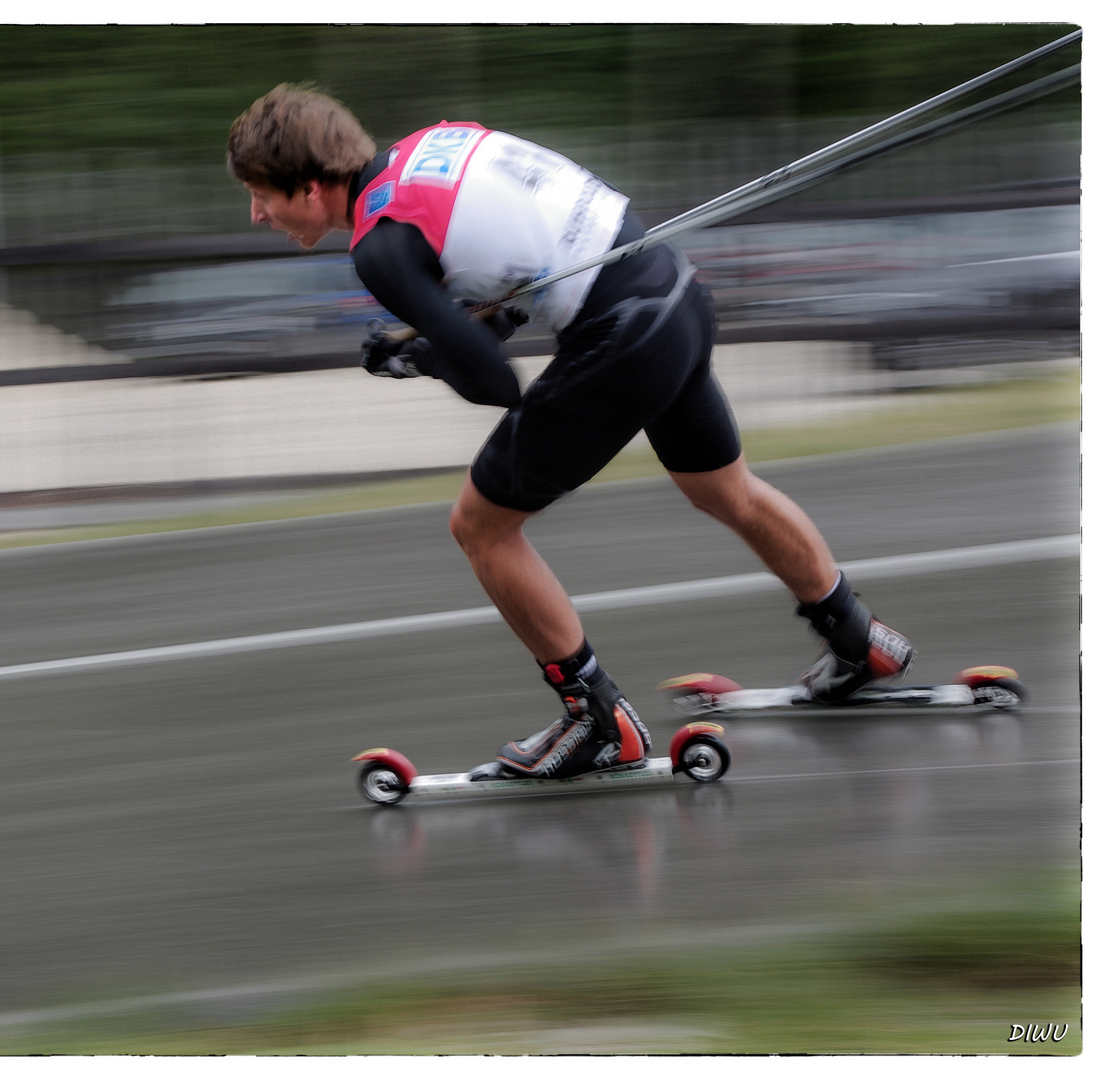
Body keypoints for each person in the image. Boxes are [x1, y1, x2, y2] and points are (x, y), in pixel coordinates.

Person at [227, 83, 913, 780]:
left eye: (262, 195)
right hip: (671, 293)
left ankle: (597, 720)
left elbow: (495, 383)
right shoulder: (426, 152)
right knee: (724, 490)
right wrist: (431, 343)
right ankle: (861, 639)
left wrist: (423, 357)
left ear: (312, 188)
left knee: (481, 527)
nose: (257, 213)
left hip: (624, 334)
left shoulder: (379, 247)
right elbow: (508, 293)